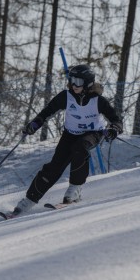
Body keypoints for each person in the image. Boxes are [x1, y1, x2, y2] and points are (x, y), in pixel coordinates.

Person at [13, 64, 123, 215]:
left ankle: (75, 189)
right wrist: (34, 125)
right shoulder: (66, 96)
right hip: (70, 134)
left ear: (88, 83)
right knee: (54, 167)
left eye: (78, 81)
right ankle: (29, 201)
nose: (74, 85)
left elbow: (116, 120)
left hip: (93, 133)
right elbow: (47, 112)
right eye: (72, 80)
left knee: (80, 147)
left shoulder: (99, 101)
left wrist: (114, 129)